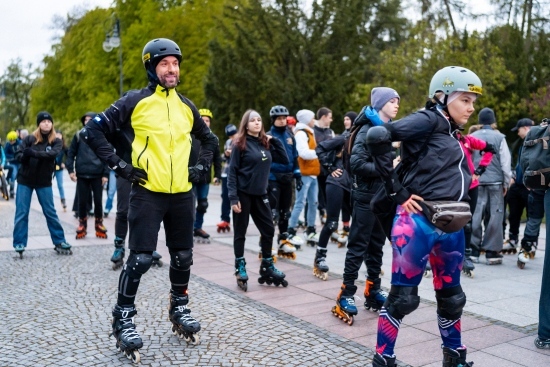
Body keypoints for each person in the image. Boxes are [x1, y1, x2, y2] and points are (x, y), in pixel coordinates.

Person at [81, 38, 218, 362]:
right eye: (164, 64)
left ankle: (179, 307)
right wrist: (121, 166)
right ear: (151, 68)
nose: (172, 69)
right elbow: (92, 132)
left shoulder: (186, 106)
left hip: (181, 193)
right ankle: (123, 318)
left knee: (183, 256)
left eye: (175, 63)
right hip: (148, 192)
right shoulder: (135, 101)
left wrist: (201, 167)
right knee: (141, 259)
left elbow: (209, 139)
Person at [366, 66, 482, 366]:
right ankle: (383, 357)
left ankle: (454, 355)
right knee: (403, 299)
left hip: (451, 223)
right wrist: (398, 192)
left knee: (453, 299)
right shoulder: (428, 119)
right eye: (465, 100)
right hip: (417, 223)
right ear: (443, 96)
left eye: (473, 101)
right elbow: (378, 135)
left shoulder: (451, 130)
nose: (471, 108)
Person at [332, 90, 400, 325]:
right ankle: (346, 293)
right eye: (391, 101)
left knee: (376, 246)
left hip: (381, 196)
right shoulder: (367, 129)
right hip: (364, 196)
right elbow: (357, 163)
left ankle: (372, 289)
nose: (396, 105)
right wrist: (387, 167)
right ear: (380, 104)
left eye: (397, 101)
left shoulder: (385, 129)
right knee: (358, 246)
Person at [228, 109, 289, 292]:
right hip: (243, 194)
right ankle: (240, 266)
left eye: (259, 120)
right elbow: (232, 172)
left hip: (261, 194)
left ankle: (267, 265)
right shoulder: (239, 144)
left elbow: (285, 159)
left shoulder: (265, 143)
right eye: (253, 120)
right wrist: (233, 198)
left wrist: (275, 140)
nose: (257, 123)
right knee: (240, 232)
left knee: (268, 229)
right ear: (246, 124)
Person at [12, 112, 72, 259]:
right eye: (43, 121)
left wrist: (32, 153)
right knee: (22, 212)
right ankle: (19, 243)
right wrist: (27, 154)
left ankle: (59, 240)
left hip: (44, 181)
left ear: (52, 124)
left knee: (50, 212)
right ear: (39, 124)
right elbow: (18, 156)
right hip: (25, 180)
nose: (46, 123)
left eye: (48, 121)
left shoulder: (56, 141)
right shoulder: (29, 139)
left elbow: (53, 154)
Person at [469, 107, 512, 264]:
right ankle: (492, 252)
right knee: (495, 215)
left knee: (475, 214)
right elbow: (505, 163)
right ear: (493, 121)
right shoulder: (500, 137)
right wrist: (506, 182)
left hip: (476, 181)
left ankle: (473, 250)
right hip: (495, 182)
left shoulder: (470, 136)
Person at [66, 112, 109, 240]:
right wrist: (70, 170)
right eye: (85, 119)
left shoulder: (101, 136)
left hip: (97, 173)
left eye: (90, 119)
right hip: (82, 173)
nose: (87, 121)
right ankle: (82, 224)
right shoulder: (78, 135)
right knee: (82, 201)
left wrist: (105, 174)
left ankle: (99, 224)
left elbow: (107, 155)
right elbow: (71, 153)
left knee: (98, 201)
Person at [267, 105, 302, 258]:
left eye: (284, 118)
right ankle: (266, 243)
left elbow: (295, 156)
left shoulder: (290, 135)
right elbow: (265, 159)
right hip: (273, 178)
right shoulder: (268, 136)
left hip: (288, 178)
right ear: (273, 120)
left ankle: (283, 239)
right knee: (272, 212)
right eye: (279, 119)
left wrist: (298, 174)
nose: (282, 121)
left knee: (285, 212)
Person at [287, 109, 321, 246]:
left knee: (314, 202)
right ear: (307, 120)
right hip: (304, 173)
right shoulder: (301, 134)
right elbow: (303, 153)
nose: (314, 121)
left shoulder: (309, 133)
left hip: (313, 173)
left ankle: (311, 229)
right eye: (313, 118)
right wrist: (320, 152)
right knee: (300, 202)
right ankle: (291, 230)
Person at [191, 108, 222, 243]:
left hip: (205, 177)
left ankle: (198, 227)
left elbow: (217, 160)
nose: (205, 122)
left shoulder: (212, 139)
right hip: (190, 176)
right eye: (202, 120)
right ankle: (188, 228)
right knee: (189, 204)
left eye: (207, 120)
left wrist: (218, 175)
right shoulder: (190, 136)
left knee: (203, 204)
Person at [313, 107, 335, 226]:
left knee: (327, 193)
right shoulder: (312, 131)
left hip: (328, 168)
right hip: (315, 168)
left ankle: (327, 215)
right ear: (324, 117)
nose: (331, 120)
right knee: (316, 196)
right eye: (330, 117)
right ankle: (312, 221)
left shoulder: (330, 132)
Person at [217, 124, 238, 233]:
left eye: (234, 135)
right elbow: (223, 158)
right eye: (230, 136)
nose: (233, 138)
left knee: (236, 197)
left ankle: (238, 220)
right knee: (225, 197)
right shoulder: (228, 142)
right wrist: (226, 154)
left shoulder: (243, 141)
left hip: (237, 174)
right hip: (227, 172)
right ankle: (225, 219)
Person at [53, 130, 68, 211]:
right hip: (51, 168)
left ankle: (63, 200)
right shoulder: (51, 145)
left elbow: (69, 155)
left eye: (59, 135)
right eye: (56, 135)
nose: (58, 137)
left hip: (59, 168)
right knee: (48, 185)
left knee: (60, 185)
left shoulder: (64, 147)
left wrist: (64, 163)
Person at [4, 130, 21, 198]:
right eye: (10, 140)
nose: (11, 142)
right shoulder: (8, 145)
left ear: (15, 139)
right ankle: (11, 190)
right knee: (13, 176)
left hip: (20, 163)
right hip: (13, 163)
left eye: (12, 140)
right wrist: (12, 157)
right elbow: (5, 154)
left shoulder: (20, 144)